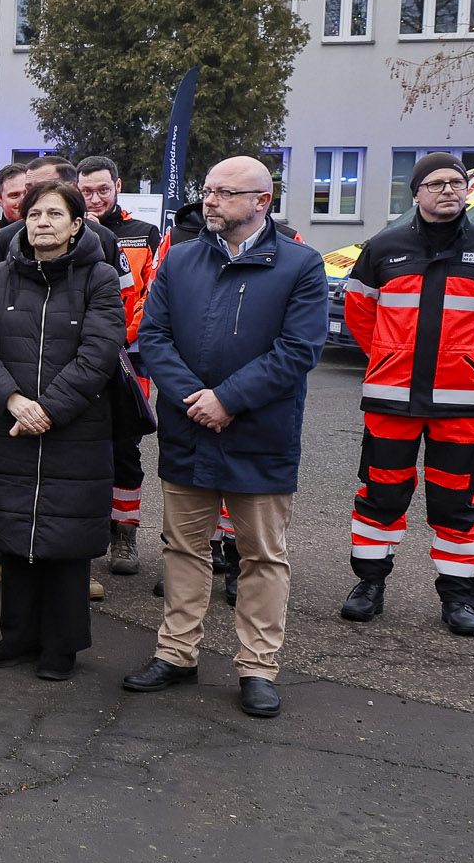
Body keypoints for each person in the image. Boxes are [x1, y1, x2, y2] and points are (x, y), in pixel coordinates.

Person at [119, 157, 329, 717]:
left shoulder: (301, 266)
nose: (209, 201)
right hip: (190, 431)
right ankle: (176, 653)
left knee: (261, 556)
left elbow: (300, 349)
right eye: (207, 190)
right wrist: (198, 400)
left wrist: (229, 399)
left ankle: (257, 667)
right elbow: (154, 338)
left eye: (224, 193)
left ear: (262, 201)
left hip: (260, 434)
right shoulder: (181, 260)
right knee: (183, 548)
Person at [340, 152, 474, 639]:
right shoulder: (382, 249)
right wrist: (390, 354)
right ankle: (369, 586)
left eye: (457, 183)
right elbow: (360, 314)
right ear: (417, 193)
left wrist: (472, 357)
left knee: (456, 503)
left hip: (462, 401)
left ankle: (460, 597)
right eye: (437, 183)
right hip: (391, 398)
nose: (449, 190)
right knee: (380, 494)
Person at [0, 180, 124, 681]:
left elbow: (99, 353)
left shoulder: (99, 277)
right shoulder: (3, 277)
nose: (42, 223)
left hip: (72, 429)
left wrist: (46, 409)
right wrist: (12, 400)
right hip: (9, 423)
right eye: (34, 214)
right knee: (15, 531)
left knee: (66, 540)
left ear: (77, 224)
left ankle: (62, 643)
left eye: (55, 214)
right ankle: (19, 636)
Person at [77, 156, 162, 579]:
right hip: (79, 359)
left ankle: (124, 534)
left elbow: (150, 296)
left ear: (118, 186)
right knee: (85, 446)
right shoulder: (69, 229)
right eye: (86, 191)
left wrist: (118, 338)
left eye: (102, 190)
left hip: (129, 357)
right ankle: (87, 532)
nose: (94, 199)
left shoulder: (143, 234)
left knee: (126, 447)